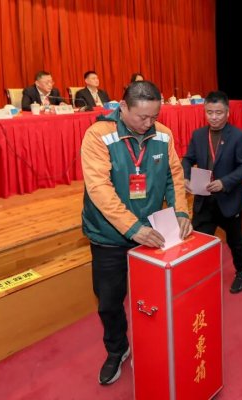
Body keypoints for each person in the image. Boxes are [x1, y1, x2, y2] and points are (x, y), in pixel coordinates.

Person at [80, 81, 192, 385]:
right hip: (109, 236)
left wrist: (181, 212)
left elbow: (173, 176)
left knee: (155, 297)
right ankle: (117, 349)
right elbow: (99, 189)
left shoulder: (162, 134)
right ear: (123, 107)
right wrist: (133, 228)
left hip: (153, 232)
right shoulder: (98, 135)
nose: (148, 123)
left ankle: (158, 343)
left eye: (154, 116)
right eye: (142, 117)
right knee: (109, 301)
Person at [181, 91, 242, 293]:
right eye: (209, 112)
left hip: (229, 199)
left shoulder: (238, 136)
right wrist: (186, 176)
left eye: (218, 112)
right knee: (200, 242)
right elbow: (187, 159)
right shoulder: (198, 135)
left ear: (227, 113)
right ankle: (202, 276)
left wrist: (224, 182)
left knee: (235, 240)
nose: (213, 117)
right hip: (204, 199)